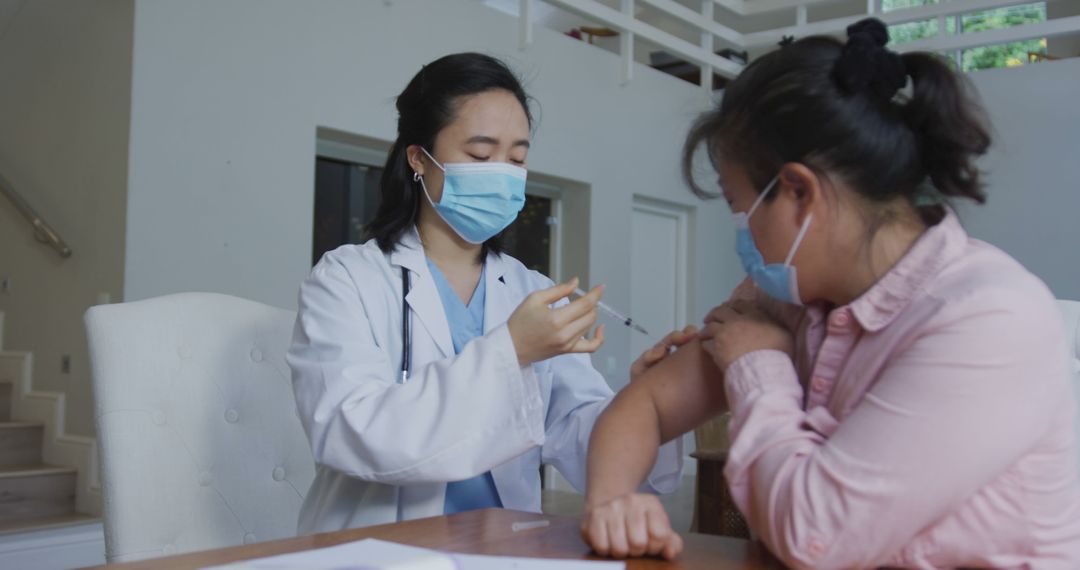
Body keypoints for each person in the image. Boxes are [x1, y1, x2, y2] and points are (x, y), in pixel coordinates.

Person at [580, 19, 1080, 568]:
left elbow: (817, 538)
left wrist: (758, 364)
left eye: (737, 206)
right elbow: (644, 404)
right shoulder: (789, 296)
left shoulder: (987, 319)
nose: (741, 231)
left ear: (798, 192)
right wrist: (613, 503)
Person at [288, 53, 687, 535]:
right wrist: (512, 350)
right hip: (376, 550)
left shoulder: (533, 292)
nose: (501, 173)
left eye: (516, 158)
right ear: (418, 157)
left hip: (503, 549)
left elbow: (582, 440)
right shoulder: (347, 279)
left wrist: (647, 400)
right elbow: (350, 432)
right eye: (480, 155)